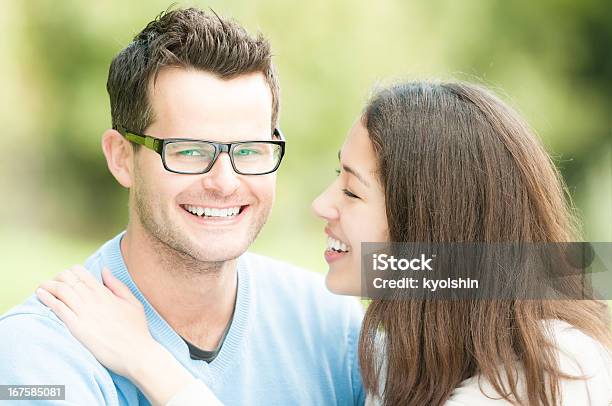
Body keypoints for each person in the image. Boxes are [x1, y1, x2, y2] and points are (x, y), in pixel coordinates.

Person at [38, 81, 612, 405]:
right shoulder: (396, 349)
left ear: (425, 228)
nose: (321, 205)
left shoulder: (551, 376)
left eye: (352, 192)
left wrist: (148, 361)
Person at [0, 8, 365, 406]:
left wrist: (152, 366)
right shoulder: (35, 355)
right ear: (121, 157)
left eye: (249, 150)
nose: (224, 182)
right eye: (189, 150)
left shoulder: (335, 328)